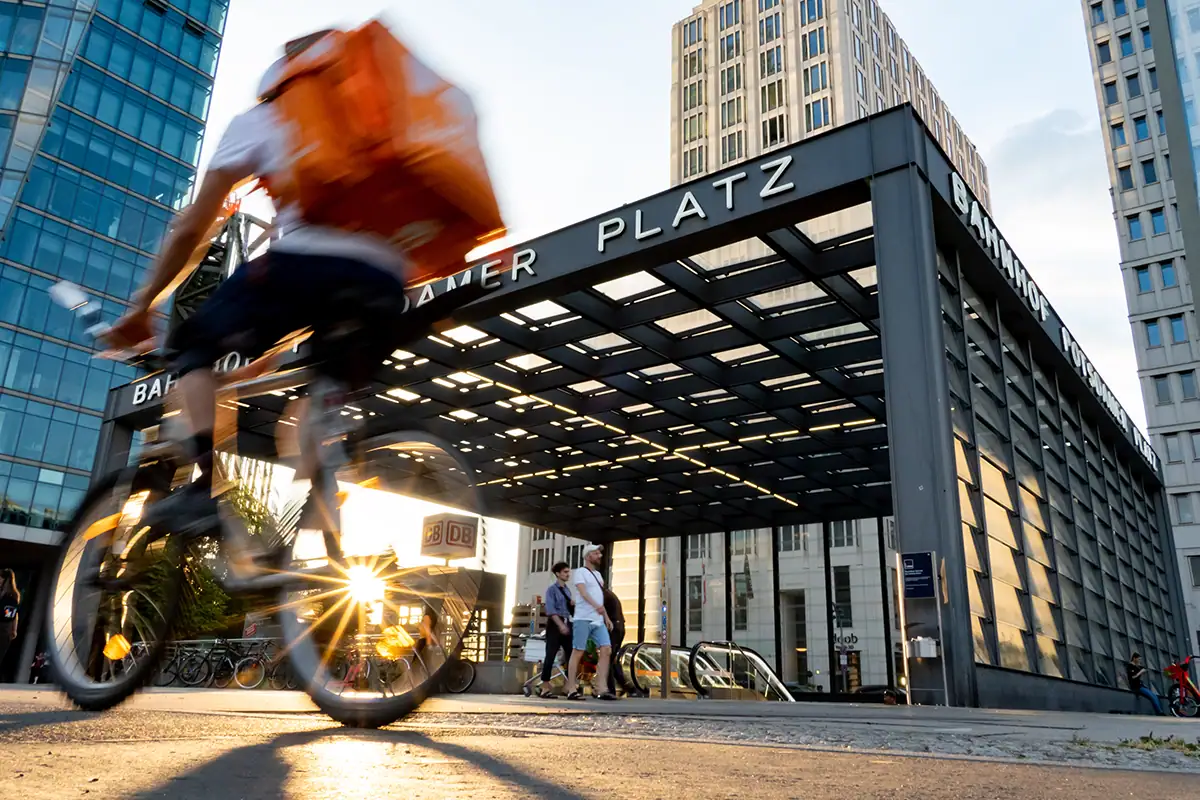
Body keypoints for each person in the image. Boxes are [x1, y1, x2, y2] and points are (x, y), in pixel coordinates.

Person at [101, 29, 422, 559]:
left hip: (307, 267)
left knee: (192, 346)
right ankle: (318, 556)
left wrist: (143, 306)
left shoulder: (270, 117)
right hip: (386, 284)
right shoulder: (378, 119)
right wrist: (259, 361)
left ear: (285, 74)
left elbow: (192, 229)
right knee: (308, 411)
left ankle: (205, 489)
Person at [565, 545, 616, 701]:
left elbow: (599, 597)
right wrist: (597, 607)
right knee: (578, 651)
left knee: (606, 649)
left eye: (599, 552)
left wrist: (605, 616)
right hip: (583, 618)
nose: (599, 555)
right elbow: (583, 592)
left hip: (598, 619)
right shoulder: (580, 572)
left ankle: (602, 688)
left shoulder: (598, 575)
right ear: (588, 556)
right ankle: (571, 688)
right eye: (595, 553)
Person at [531, 562, 573, 698]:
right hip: (555, 624)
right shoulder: (552, 590)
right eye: (565, 572)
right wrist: (560, 625)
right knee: (550, 655)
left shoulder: (567, 590)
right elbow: (550, 610)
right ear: (558, 574)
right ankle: (545, 687)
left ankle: (569, 686)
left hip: (567, 622)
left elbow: (569, 610)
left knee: (571, 655)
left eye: (568, 572)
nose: (568, 574)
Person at [603, 586, 626, 697]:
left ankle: (610, 690)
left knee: (607, 658)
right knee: (611, 659)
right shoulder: (609, 594)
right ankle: (626, 686)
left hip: (614, 629)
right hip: (619, 627)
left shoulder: (603, 596)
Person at [0, 569, 18, 670]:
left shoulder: (11, 597)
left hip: (3, 630)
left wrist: (14, 630)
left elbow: (11, 615)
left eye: (1, 578)